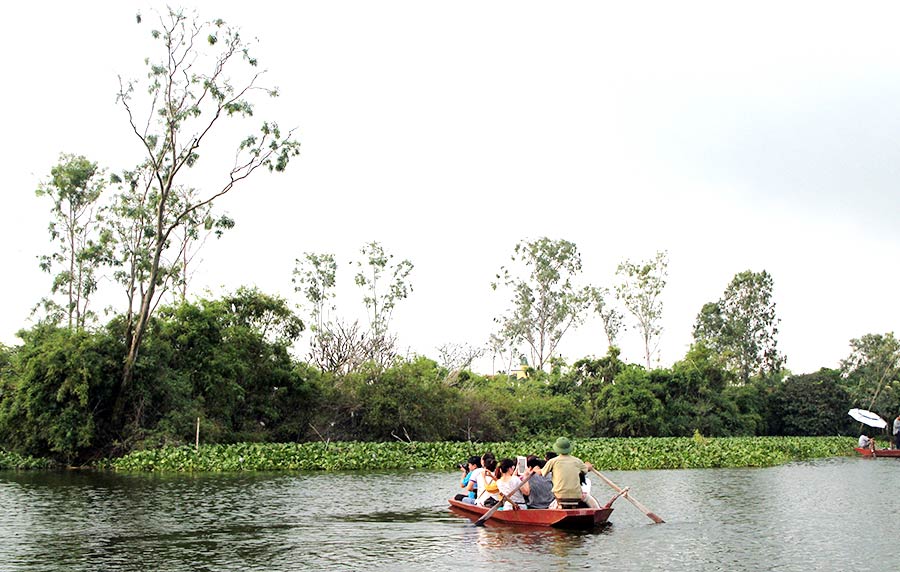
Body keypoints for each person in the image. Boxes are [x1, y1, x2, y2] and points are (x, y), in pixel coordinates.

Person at [541, 437, 600, 509]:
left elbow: (542, 473)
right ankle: (597, 510)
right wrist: (588, 466)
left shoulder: (552, 461)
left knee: (551, 506)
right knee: (588, 498)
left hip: (559, 496)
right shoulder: (577, 461)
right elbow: (586, 469)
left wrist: (535, 470)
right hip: (577, 496)